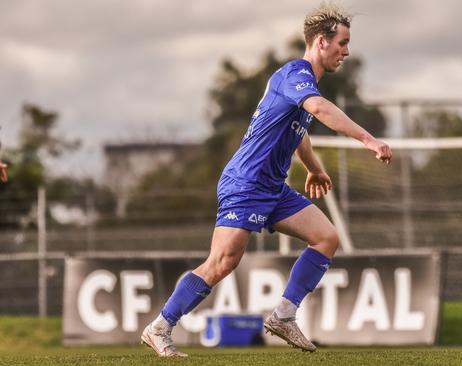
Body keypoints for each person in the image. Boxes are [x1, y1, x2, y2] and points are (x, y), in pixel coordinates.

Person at [140, 4, 392, 357]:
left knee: (326, 238)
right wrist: (369, 140)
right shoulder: (295, 74)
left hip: (272, 188)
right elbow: (319, 110)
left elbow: (299, 133)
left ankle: (284, 316)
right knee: (222, 262)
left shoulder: (303, 87)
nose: (346, 51)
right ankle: (160, 327)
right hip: (246, 182)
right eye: (343, 43)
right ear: (322, 41)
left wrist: (315, 169)